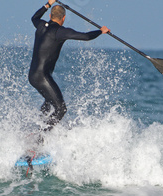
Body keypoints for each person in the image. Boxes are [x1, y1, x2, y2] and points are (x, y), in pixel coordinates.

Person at [29, 0, 110, 132]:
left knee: (49, 102)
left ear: (50, 16)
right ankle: (40, 138)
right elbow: (86, 37)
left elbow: (34, 17)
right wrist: (101, 31)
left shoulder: (41, 25)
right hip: (42, 77)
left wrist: (47, 4)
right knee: (61, 109)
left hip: (32, 76)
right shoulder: (60, 31)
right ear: (64, 18)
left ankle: (35, 131)